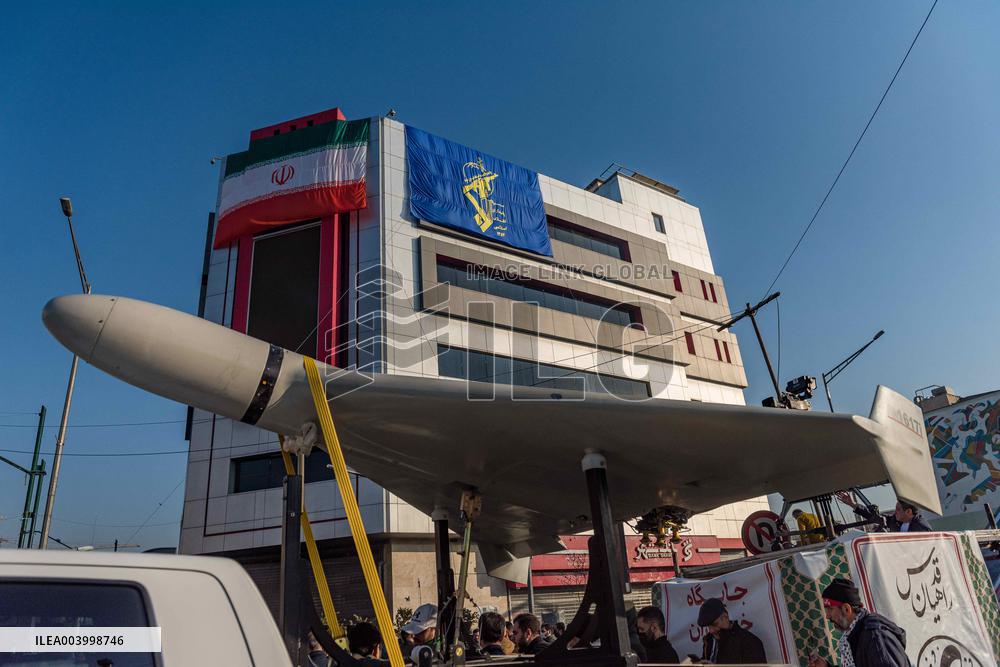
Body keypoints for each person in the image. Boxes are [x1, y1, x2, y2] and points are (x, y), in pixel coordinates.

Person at [807, 578, 909, 667]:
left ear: (846, 609)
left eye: (830, 609)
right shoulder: (857, 635)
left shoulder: (875, 638)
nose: (827, 616)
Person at [698, 598, 766, 664]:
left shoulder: (750, 643)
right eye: (708, 626)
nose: (711, 631)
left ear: (725, 617)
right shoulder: (709, 640)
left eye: (715, 624)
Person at [837, 492, 932, 532]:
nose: (895, 512)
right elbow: (875, 517)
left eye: (898, 509)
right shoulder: (895, 520)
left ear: (908, 511)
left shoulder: (921, 527)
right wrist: (853, 504)